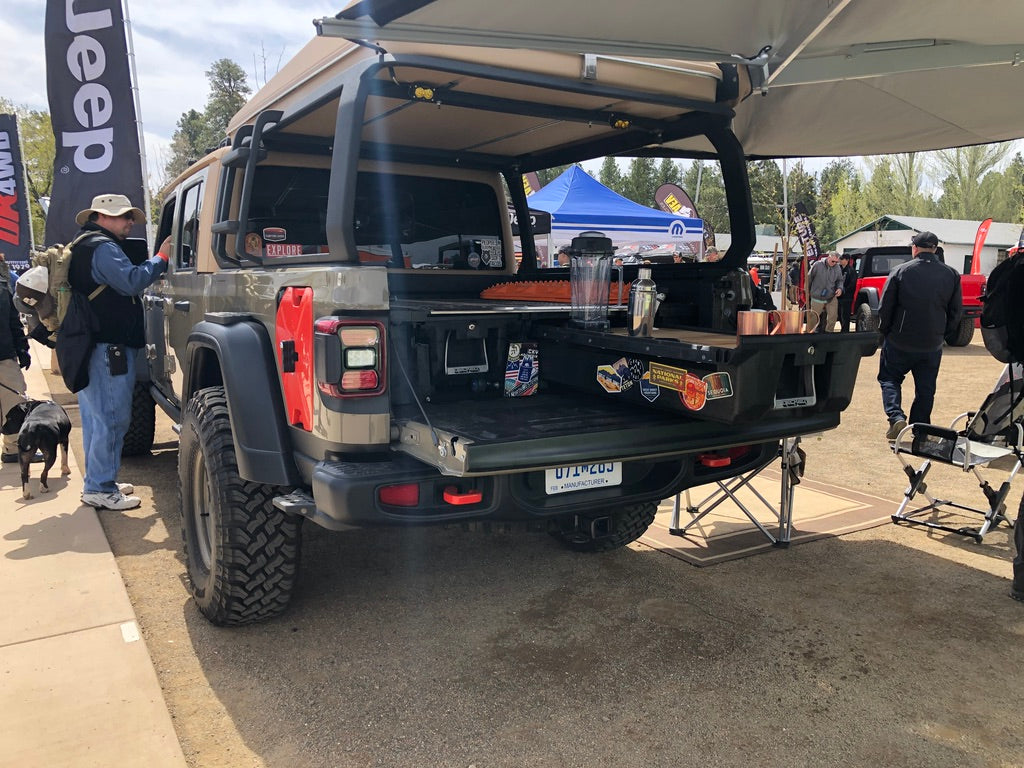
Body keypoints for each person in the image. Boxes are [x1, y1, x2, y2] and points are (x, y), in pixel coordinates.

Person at [68, 194, 171, 510]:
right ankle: (100, 486)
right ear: (102, 216)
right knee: (112, 418)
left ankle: (100, 481)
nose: (129, 222)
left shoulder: (83, 244)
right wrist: (162, 257)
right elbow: (131, 281)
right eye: (124, 216)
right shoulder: (103, 248)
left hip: (90, 344)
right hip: (107, 347)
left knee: (97, 417)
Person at [877, 231, 962, 440]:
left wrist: (885, 331)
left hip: (900, 339)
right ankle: (921, 429)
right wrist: (942, 333)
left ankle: (896, 416)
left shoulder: (900, 271)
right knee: (925, 389)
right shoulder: (951, 274)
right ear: (935, 249)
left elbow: (885, 306)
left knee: (889, 378)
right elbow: (955, 311)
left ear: (914, 248)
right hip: (932, 342)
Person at [0, 251, 31, 463]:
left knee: (14, 402)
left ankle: (12, 449)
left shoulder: (4, 283)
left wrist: (22, 349)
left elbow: (13, 320)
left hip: (5, 355)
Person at [807, 251, 843, 331]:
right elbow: (809, 278)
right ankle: (809, 334)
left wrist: (840, 288)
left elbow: (840, 280)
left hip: (831, 296)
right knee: (814, 317)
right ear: (828, 257)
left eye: (836, 262)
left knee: (833, 317)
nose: (834, 263)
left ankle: (829, 335)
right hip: (817, 296)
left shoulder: (837, 267)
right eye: (833, 261)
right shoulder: (817, 265)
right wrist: (808, 291)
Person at [837, 253, 857, 332]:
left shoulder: (851, 270)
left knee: (845, 315)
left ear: (847, 260)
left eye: (842, 259)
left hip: (847, 297)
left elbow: (852, 284)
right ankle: (842, 329)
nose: (840, 261)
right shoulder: (839, 269)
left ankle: (845, 331)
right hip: (839, 296)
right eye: (840, 259)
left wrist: (844, 290)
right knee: (839, 314)